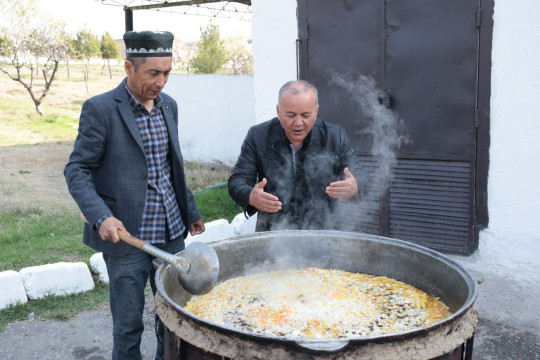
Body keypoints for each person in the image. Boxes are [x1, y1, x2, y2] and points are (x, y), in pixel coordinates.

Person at [64, 30, 204, 360]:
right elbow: (77, 170)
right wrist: (101, 216)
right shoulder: (100, 109)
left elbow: (172, 166)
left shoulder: (169, 106)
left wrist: (191, 210)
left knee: (173, 320)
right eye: (153, 73)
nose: (161, 82)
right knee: (128, 326)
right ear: (129, 67)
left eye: (167, 72)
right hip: (126, 239)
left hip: (170, 236)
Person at [228, 80, 368, 231]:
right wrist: (250, 195)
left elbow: (361, 177)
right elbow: (237, 181)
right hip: (273, 233)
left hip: (323, 232)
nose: (298, 122)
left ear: (316, 112)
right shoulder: (258, 136)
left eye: (306, 115)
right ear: (278, 111)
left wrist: (356, 186)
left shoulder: (334, 136)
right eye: (291, 115)